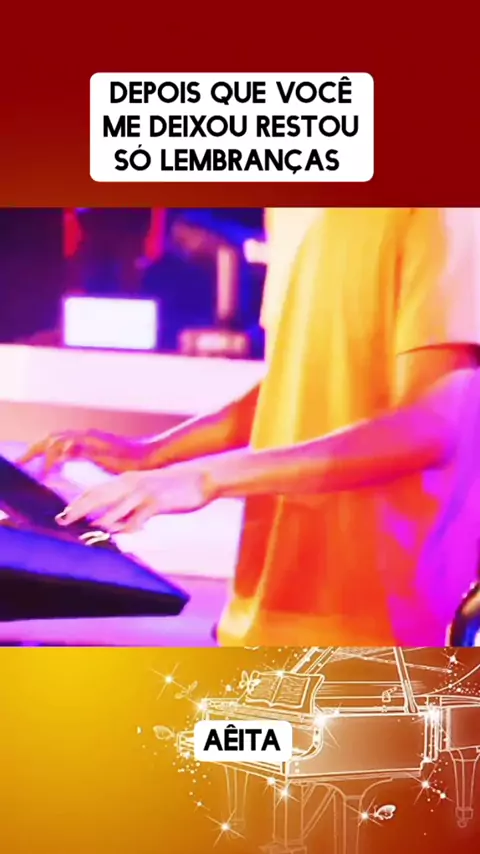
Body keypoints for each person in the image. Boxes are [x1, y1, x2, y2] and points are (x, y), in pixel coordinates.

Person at [20, 208, 480, 647]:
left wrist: (206, 478)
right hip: (261, 614)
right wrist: (152, 454)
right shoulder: (292, 209)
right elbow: (298, 379)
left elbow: (430, 427)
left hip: (383, 632)